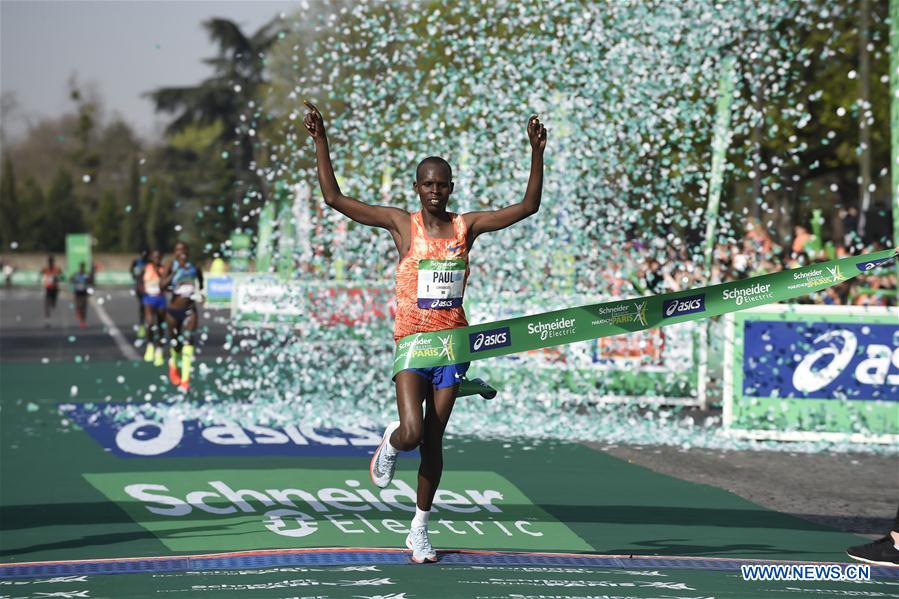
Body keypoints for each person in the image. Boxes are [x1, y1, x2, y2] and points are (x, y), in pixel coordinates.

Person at [304, 100, 546, 563]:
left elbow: (528, 206)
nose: (435, 191)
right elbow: (335, 200)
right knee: (414, 432)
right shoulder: (402, 224)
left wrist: (536, 152)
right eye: (427, 184)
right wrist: (321, 141)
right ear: (417, 188)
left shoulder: (465, 226)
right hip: (412, 342)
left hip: (453, 345)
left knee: (434, 441)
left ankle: (418, 528)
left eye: (442, 184)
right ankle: (393, 439)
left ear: (450, 187)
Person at [163, 241, 204, 392]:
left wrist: (202, 294)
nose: (181, 253)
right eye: (178, 250)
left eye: (184, 250)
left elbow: (201, 282)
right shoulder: (170, 265)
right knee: (176, 344)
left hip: (190, 309)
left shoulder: (194, 267)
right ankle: (173, 364)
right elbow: (162, 285)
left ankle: (185, 379)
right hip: (173, 311)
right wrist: (176, 272)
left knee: (188, 341)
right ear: (174, 252)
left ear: (188, 252)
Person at [141, 250, 167, 366]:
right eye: (154, 257)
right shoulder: (146, 268)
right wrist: (141, 289)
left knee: (161, 325)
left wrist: (159, 273)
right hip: (149, 298)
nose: (156, 259)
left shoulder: (164, 268)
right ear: (151, 258)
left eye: (158, 257)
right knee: (150, 322)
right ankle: (150, 345)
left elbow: (166, 281)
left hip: (160, 298)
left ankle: (159, 350)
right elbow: (139, 281)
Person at [131, 249, 150, 339]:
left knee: (151, 308)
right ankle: (142, 326)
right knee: (143, 306)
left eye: (146, 255)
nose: (144, 257)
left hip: (149, 287)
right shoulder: (136, 261)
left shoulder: (150, 262)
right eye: (143, 255)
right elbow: (131, 270)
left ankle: (149, 326)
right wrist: (136, 277)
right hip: (140, 287)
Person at [40, 256, 62, 326]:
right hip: (48, 288)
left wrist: (57, 278)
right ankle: (47, 320)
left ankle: (53, 303)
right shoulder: (45, 268)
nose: (50, 263)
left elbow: (61, 274)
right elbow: (41, 272)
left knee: (53, 304)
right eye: (49, 261)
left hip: (55, 289)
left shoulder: (56, 269)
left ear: (53, 262)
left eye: (51, 261)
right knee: (47, 304)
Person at [70, 262, 92, 328]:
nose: (82, 269)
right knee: (79, 306)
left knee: (84, 308)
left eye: (83, 267)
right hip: (77, 293)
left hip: (84, 293)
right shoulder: (76, 274)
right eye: (81, 267)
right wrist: (75, 281)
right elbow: (70, 279)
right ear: (80, 267)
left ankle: (83, 322)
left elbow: (90, 282)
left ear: (84, 267)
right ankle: (79, 313)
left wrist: (89, 279)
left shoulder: (86, 275)